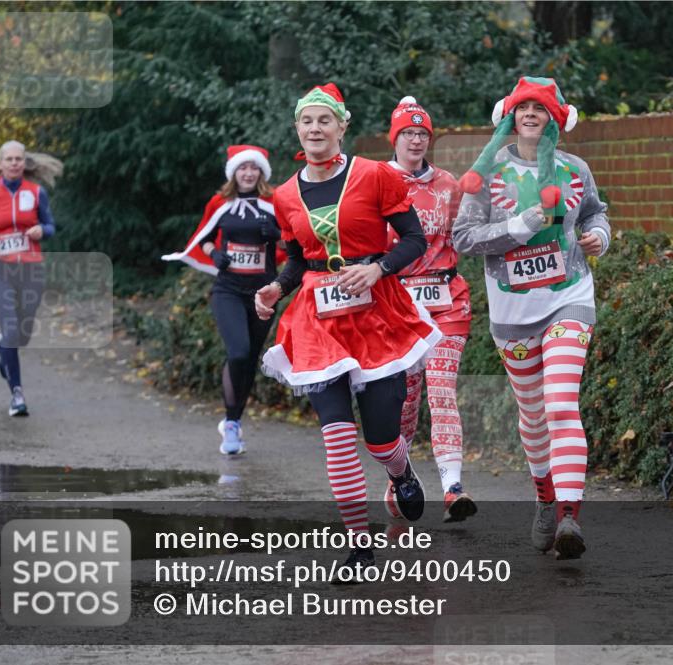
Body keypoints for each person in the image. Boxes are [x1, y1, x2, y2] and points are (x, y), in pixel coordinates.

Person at [254, 83, 441, 577]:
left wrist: (379, 268)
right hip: (317, 322)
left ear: (342, 125)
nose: (315, 129)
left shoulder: (375, 175)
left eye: (324, 120)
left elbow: (415, 240)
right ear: (297, 129)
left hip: (376, 314)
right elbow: (296, 258)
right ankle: (359, 546)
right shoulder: (285, 194)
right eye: (306, 121)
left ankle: (399, 469)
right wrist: (277, 288)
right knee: (336, 435)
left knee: (380, 439)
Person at [453, 77, 610, 560]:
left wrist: (599, 237)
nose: (530, 115)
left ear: (554, 119)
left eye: (539, 109)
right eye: (522, 108)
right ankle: (544, 497)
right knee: (534, 416)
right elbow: (463, 239)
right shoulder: (487, 174)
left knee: (561, 404)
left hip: (569, 301)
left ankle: (569, 518)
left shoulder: (574, 168)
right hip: (513, 315)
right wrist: (517, 227)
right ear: (509, 116)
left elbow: (594, 215)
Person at [383, 96, 476, 523]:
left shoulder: (449, 185)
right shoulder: (378, 182)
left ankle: (453, 489)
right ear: (395, 138)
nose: (417, 140)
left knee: (441, 392)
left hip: (446, 302)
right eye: (408, 133)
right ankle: (398, 479)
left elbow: (469, 237)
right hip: (399, 307)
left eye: (423, 133)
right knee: (406, 403)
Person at [162, 145, 282, 455]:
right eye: (243, 168)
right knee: (239, 352)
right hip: (228, 289)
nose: (248, 173)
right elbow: (200, 240)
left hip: (263, 291)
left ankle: (235, 422)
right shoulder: (221, 203)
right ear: (234, 172)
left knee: (251, 358)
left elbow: (292, 244)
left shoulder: (274, 203)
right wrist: (214, 254)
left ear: (261, 173)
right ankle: (230, 422)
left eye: (254, 168)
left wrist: (276, 235)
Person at [0, 141, 62, 417]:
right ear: (0, 164)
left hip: (30, 268)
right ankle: (17, 395)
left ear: (24, 163)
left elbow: (51, 227)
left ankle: (2, 349)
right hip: (0, 269)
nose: (14, 163)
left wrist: (40, 230)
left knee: (21, 335)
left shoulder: (37, 193)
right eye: (9, 159)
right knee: (11, 329)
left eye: (18, 159)